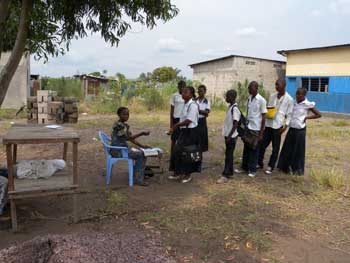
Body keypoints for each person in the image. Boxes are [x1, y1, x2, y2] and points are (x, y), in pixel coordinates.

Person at [277, 88, 321, 175]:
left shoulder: (307, 104)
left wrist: (307, 117)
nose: (298, 96)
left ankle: (297, 169)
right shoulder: (293, 102)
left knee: (298, 151)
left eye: (300, 94)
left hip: (300, 131)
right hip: (292, 129)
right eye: (297, 94)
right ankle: (284, 167)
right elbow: (289, 114)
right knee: (287, 149)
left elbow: (319, 114)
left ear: (304, 95)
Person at [258, 78, 294, 174]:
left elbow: (290, 114)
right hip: (269, 124)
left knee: (275, 148)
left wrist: (285, 127)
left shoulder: (289, 99)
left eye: (278, 85)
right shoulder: (272, 96)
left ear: (284, 85)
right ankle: (259, 163)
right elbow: (269, 109)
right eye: (275, 85)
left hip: (278, 126)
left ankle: (270, 166)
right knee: (262, 145)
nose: (276, 87)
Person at [111, 107, 151, 186]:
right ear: (119, 115)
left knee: (142, 151)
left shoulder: (124, 125)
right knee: (141, 154)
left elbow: (131, 139)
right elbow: (128, 138)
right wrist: (142, 133)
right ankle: (138, 179)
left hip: (122, 149)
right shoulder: (119, 126)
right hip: (118, 151)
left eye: (128, 114)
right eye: (124, 114)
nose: (126, 116)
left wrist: (142, 146)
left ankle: (137, 174)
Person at [170, 86, 201, 183]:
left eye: (185, 92)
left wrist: (176, 125)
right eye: (182, 92)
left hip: (190, 132)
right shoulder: (185, 103)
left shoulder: (193, 105)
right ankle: (178, 172)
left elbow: (188, 121)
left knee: (188, 153)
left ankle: (188, 175)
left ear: (191, 94)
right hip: (184, 131)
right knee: (177, 151)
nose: (183, 94)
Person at [238, 81, 267, 178]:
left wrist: (261, 133)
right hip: (248, 127)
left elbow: (263, 117)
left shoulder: (261, 100)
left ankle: (253, 169)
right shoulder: (249, 98)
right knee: (246, 148)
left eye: (250, 88)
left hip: (256, 129)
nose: (249, 90)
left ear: (256, 88)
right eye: (248, 88)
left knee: (254, 149)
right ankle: (244, 167)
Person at [217, 89, 241, 184]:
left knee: (229, 155)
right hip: (228, 135)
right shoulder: (230, 107)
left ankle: (225, 175)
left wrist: (230, 136)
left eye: (227, 97)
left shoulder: (235, 109)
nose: (226, 98)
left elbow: (236, 124)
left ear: (232, 97)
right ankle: (230, 172)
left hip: (231, 136)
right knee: (229, 154)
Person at [168, 80, 186, 178]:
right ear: (178, 87)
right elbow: (171, 111)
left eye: (184, 86)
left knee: (181, 143)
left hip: (183, 121)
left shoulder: (186, 96)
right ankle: (172, 158)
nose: (182, 88)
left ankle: (180, 164)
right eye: (181, 86)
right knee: (174, 141)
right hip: (175, 120)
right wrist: (171, 125)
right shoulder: (174, 96)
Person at [196, 85, 211, 152]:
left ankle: (200, 158)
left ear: (205, 92)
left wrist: (198, 110)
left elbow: (207, 112)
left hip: (202, 122)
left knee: (202, 140)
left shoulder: (207, 101)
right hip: (195, 120)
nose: (199, 92)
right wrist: (203, 112)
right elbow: (205, 113)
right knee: (195, 139)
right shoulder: (194, 100)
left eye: (201, 91)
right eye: (198, 91)